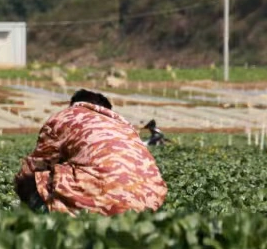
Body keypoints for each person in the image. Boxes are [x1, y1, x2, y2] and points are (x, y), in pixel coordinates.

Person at [14, 89, 166, 215]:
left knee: (34, 181)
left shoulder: (66, 116)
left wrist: (23, 189)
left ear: (74, 105)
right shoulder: (126, 126)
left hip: (103, 202)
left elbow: (36, 165)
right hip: (149, 205)